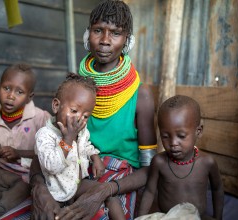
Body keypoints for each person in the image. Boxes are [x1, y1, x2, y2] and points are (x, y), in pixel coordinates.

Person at [30, 0, 157, 219]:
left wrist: (105, 190)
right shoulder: (75, 90)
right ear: (87, 35)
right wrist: (39, 188)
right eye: (98, 30)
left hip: (120, 182)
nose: (105, 41)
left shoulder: (141, 95)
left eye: (116, 33)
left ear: (128, 41)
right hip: (77, 171)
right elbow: (49, 141)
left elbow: (150, 169)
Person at [0, 63, 51, 220]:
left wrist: (18, 153)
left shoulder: (41, 119)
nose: (11, 96)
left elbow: (49, 155)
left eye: (19, 92)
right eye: (6, 88)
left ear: (29, 97)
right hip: (1, 171)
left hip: (29, 175)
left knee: (2, 209)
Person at [35, 73, 126, 219]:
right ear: (56, 105)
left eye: (85, 116)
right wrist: (68, 139)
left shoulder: (81, 130)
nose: (79, 119)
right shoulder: (45, 135)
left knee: (109, 194)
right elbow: (51, 166)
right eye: (74, 111)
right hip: (57, 192)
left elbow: (86, 145)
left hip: (79, 185)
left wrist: (95, 157)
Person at [137, 95, 224, 220]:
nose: (173, 143)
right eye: (165, 136)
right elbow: (150, 192)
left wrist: (218, 217)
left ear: (198, 131)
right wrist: (141, 218)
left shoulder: (207, 162)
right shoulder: (159, 162)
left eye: (181, 136)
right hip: (166, 217)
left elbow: (218, 189)